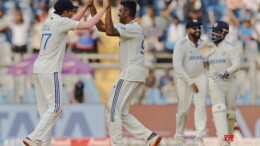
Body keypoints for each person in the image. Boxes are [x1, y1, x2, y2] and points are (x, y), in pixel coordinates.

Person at [22, 0, 109, 145]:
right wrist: (104, 9)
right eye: (71, 10)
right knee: (57, 107)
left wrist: (86, 7)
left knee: (46, 113)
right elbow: (87, 25)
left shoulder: (50, 21)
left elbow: (73, 21)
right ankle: (33, 137)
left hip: (38, 69)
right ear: (64, 13)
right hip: (50, 70)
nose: (73, 13)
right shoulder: (62, 23)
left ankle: (39, 142)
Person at [89, 1, 162, 146]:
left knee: (112, 109)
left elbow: (109, 31)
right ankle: (150, 136)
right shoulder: (130, 28)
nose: (118, 12)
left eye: (120, 11)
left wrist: (107, 8)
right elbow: (101, 27)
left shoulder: (132, 28)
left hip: (129, 73)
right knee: (121, 112)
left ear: (127, 13)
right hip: (135, 73)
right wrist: (92, 6)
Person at [172, 19, 207, 146]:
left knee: (200, 106)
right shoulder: (181, 44)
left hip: (200, 77)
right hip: (184, 79)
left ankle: (199, 136)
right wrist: (190, 82)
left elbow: (210, 61)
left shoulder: (203, 43)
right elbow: (177, 66)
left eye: (199, 27)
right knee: (183, 110)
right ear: (188, 30)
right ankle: (179, 136)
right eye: (194, 28)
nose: (198, 30)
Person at [207, 20, 240, 146]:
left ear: (225, 33)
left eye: (217, 31)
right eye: (213, 31)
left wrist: (227, 72)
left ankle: (227, 140)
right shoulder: (207, 47)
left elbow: (237, 65)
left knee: (230, 114)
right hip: (215, 82)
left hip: (230, 83)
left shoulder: (231, 48)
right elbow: (200, 63)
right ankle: (223, 142)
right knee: (219, 108)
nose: (214, 34)